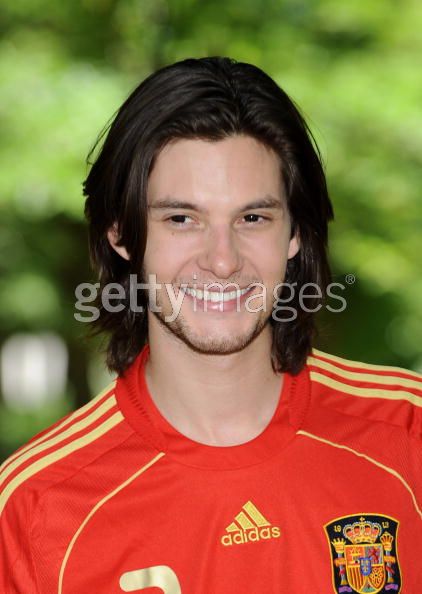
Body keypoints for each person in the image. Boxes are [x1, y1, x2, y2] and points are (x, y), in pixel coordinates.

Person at [1, 57, 421, 594]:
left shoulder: (409, 434)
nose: (222, 261)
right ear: (122, 236)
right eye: (181, 219)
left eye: (253, 218)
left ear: (294, 235)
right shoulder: (36, 507)